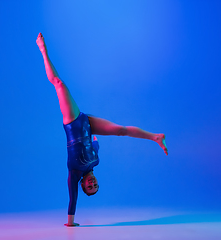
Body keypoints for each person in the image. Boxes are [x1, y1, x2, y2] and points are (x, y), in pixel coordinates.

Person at [36, 33, 168, 227]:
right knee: (120, 130)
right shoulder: (96, 160)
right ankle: (155, 137)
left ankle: (43, 50)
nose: (92, 183)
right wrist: (94, 135)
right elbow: (95, 144)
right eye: (96, 185)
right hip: (88, 124)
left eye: (90, 187)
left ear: (83, 185)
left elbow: (72, 199)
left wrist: (70, 222)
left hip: (72, 122)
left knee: (59, 84)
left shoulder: (74, 173)